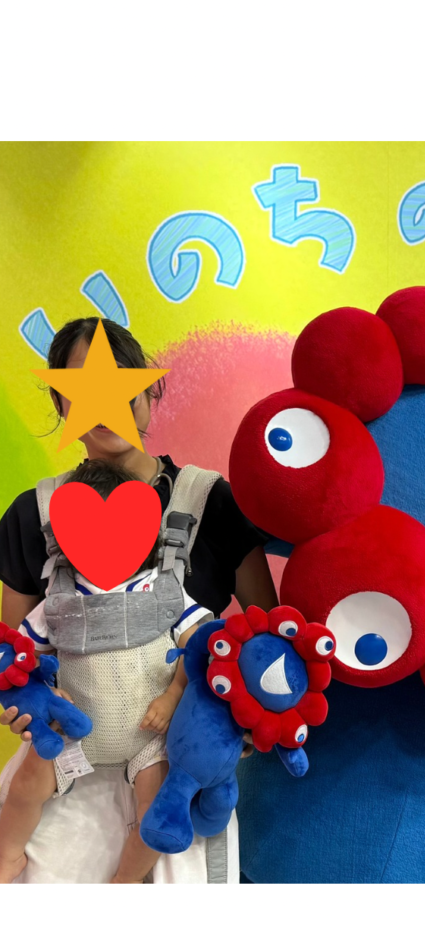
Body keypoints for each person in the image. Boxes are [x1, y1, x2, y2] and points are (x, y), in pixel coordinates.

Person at [0, 317, 277, 883]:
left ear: (151, 391)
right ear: (59, 400)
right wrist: (25, 699)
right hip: (65, 781)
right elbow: (13, 652)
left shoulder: (210, 500)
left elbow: (265, 636)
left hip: (176, 774)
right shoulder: (34, 513)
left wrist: (244, 715)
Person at [0, 459, 213, 883]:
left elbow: (203, 648)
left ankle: (125, 881)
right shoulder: (58, 597)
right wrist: (42, 694)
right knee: (24, 788)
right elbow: (21, 657)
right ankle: (8, 856)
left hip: (149, 735)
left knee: (158, 811)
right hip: (71, 731)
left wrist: (173, 696)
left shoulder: (163, 589)